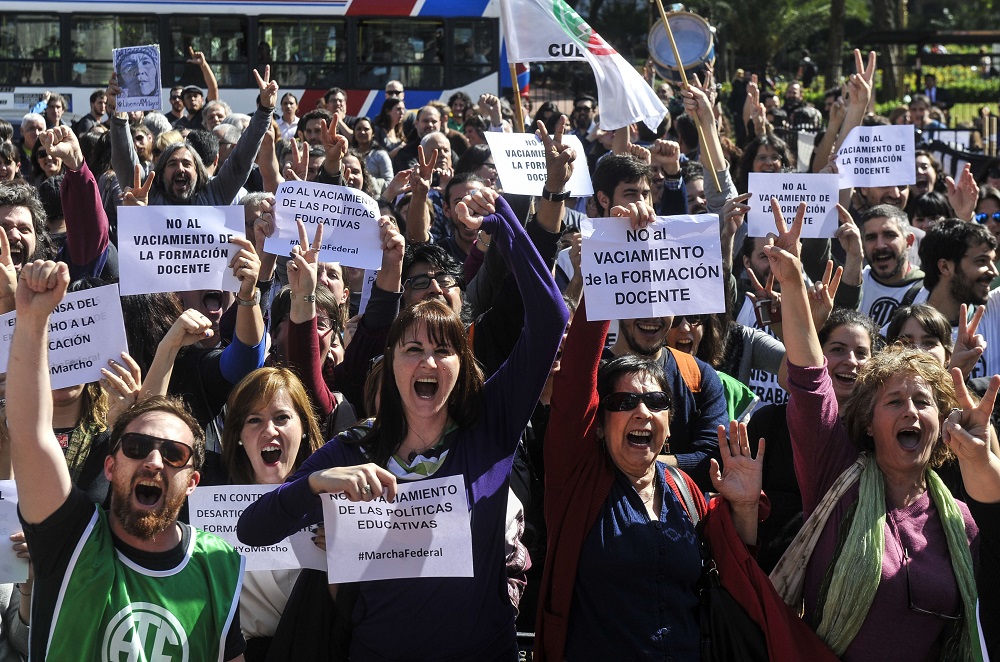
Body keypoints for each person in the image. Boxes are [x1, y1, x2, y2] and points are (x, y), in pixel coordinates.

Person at [237, 186, 568, 660]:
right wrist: (317, 484)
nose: (428, 362)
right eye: (413, 349)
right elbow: (251, 530)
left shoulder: (490, 427)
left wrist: (506, 229)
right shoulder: (353, 451)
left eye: (443, 350)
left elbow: (552, 317)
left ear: (462, 363)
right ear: (390, 363)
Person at [535, 220, 764, 659]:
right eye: (622, 403)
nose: (641, 411)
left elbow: (735, 572)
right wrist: (612, 253)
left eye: (656, 401)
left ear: (670, 422)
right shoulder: (576, 478)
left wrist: (746, 509)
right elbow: (580, 368)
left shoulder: (686, 491)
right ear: (599, 424)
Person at [767, 206, 986, 660]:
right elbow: (810, 379)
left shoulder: (959, 520)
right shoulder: (835, 476)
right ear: (868, 420)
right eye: (894, 401)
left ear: (940, 422)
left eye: (923, 402)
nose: (911, 411)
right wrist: (791, 284)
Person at [7, 260, 246, 660]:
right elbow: (31, 434)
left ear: (192, 482)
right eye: (136, 447)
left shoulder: (219, 565)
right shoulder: (72, 541)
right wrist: (32, 322)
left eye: (174, 453)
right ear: (110, 465)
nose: (154, 460)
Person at [220, 367, 324, 661]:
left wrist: (348, 553)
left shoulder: (335, 502)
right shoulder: (212, 505)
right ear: (238, 435)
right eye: (254, 420)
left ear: (303, 428)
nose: (269, 431)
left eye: (281, 418)